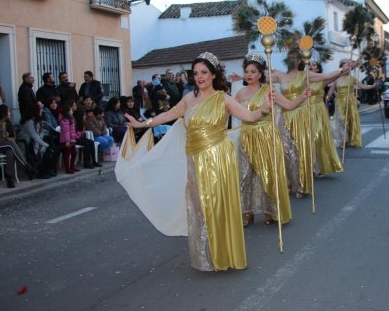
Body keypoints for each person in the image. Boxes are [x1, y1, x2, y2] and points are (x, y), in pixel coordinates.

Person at [124, 51, 273, 272]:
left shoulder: (223, 99)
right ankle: (208, 254)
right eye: (195, 73)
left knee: (217, 206)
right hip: (195, 159)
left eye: (204, 72)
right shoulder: (188, 99)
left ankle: (224, 254)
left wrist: (263, 109)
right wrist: (141, 124)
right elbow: (168, 115)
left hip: (219, 159)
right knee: (200, 206)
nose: (199, 77)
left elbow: (249, 117)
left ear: (213, 75)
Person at [234, 54, 306, 227]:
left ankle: (271, 210)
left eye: (253, 71)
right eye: (246, 71)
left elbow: (288, 106)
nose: (249, 74)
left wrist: (303, 96)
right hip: (246, 137)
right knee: (244, 176)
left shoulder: (269, 91)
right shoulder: (239, 93)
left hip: (266, 136)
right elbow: (229, 111)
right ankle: (247, 212)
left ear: (260, 74)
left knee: (268, 175)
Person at [271, 49, 351, 197]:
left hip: (301, 115)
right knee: (285, 151)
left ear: (301, 60)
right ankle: (289, 183)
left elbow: (327, 76)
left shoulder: (306, 75)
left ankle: (301, 184)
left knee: (300, 150)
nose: (293, 59)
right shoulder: (279, 75)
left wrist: (342, 70)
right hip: (285, 116)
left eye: (295, 56)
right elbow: (260, 78)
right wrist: (242, 76)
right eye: (290, 57)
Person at [327, 59, 377, 148]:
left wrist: (372, 86)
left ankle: (350, 138)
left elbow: (362, 86)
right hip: (339, 101)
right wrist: (327, 97)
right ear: (341, 67)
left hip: (350, 102)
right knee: (341, 120)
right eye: (345, 65)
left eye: (348, 65)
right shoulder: (337, 78)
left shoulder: (352, 78)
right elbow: (331, 90)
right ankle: (344, 140)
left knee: (350, 120)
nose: (347, 67)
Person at [308, 60, 343, 175]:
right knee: (308, 139)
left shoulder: (322, 80)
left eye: (314, 64)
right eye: (309, 64)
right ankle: (309, 166)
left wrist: (345, 68)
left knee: (318, 137)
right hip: (305, 110)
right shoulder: (303, 80)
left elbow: (337, 75)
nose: (311, 66)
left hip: (319, 110)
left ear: (317, 69)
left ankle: (320, 166)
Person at [19, 102, 57, 178]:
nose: (41, 112)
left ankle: (48, 169)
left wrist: (44, 144)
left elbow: (41, 134)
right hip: (27, 144)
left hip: (33, 143)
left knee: (50, 144)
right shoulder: (29, 122)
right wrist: (45, 145)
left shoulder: (37, 121)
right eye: (39, 110)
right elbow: (34, 135)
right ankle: (41, 171)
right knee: (48, 147)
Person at [58, 103, 79, 174]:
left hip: (72, 140)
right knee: (67, 154)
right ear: (67, 112)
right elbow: (66, 132)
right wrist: (67, 141)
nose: (72, 111)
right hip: (66, 141)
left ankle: (72, 166)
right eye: (70, 110)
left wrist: (76, 136)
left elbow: (72, 130)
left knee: (74, 153)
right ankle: (67, 168)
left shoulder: (71, 119)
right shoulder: (64, 121)